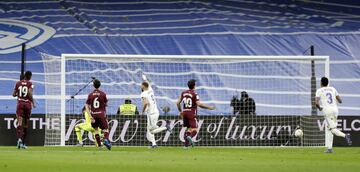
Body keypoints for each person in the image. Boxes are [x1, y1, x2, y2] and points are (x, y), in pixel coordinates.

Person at [315, 77, 351, 153]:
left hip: (327, 111)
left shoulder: (319, 90)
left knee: (332, 129)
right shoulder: (333, 89)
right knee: (330, 128)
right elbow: (340, 101)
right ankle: (329, 148)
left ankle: (345, 136)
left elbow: (316, 103)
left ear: (321, 83)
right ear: (327, 83)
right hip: (335, 110)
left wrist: (320, 108)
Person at [176, 79, 215, 148]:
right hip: (191, 113)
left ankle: (186, 146)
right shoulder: (194, 94)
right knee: (195, 130)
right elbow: (199, 104)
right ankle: (190, 137)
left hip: (185, 112)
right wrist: (209, 107)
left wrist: (180, 111)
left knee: (189, 129)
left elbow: (177, 103)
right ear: (194, 86)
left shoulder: (183, 93)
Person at [140, 74, 170, 148]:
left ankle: (166, 127)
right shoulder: (150, 90)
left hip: (151, 113)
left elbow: (146, 103)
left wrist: (142, 112)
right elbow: (147, 83)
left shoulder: (143, 93)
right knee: (149, 128)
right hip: (155, 111)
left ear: (144, 86)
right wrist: (144, 78)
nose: (140, 86)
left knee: (151, 130)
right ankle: (154, 144)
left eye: (141, 85)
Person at [85, 79, 111, 150]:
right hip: (101, 114)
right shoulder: (103, 94)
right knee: (105, 129)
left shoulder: (90, 95)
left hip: (93, 115)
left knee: (96, 130)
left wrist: (90, 116)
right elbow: (106, 104)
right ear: (100, 85)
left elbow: (86, 105)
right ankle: (105, 140)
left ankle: (99, 146)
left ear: (93, 85)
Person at [12, 71, 34, 149]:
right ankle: (24, 144)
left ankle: (19, 139)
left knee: (20, 122)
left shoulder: (18, 83)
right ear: (30, 76)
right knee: (26, 124)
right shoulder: (30, 84)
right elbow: (29, 93)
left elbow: (13, 94)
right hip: (27, 105)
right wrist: (33, 102)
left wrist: (18, 94)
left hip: (20, 104)